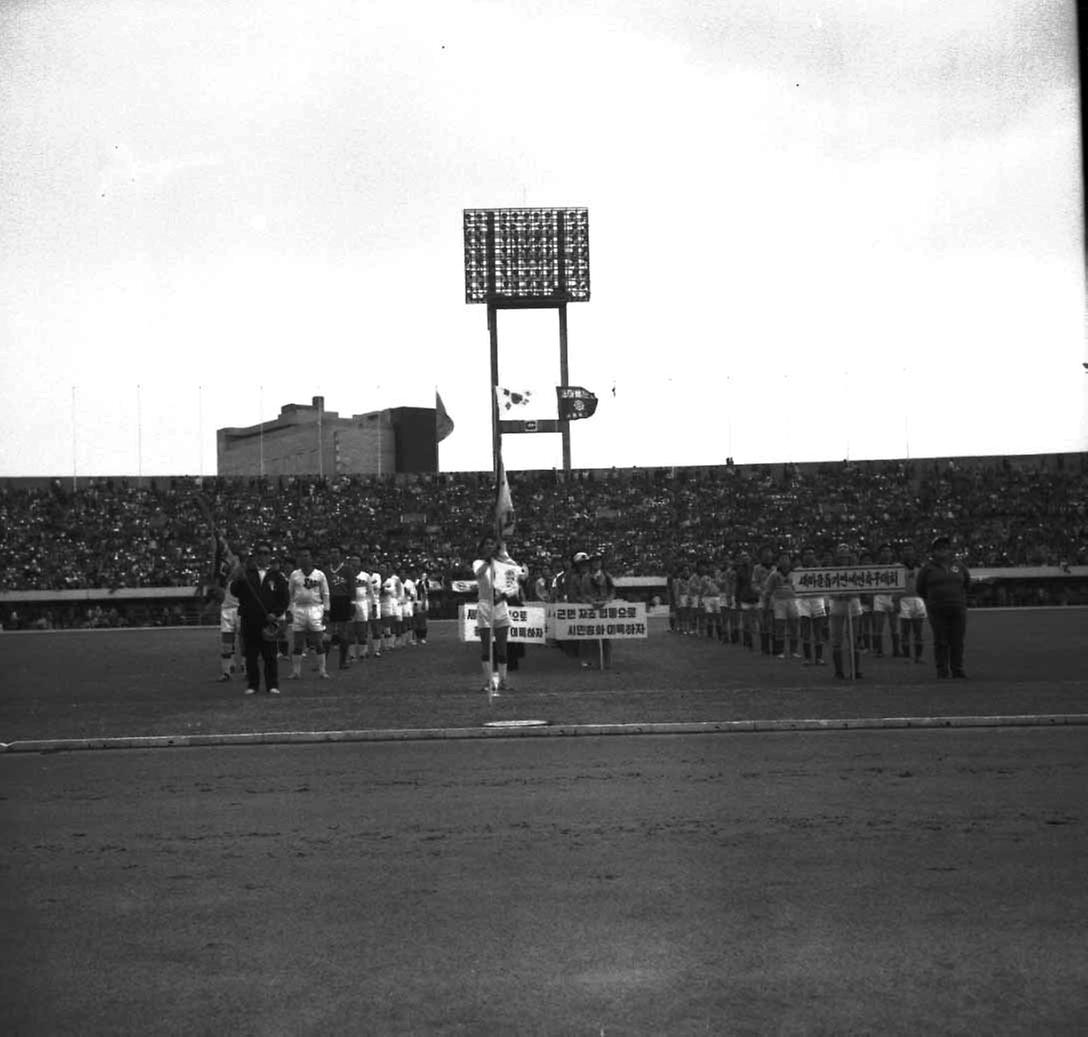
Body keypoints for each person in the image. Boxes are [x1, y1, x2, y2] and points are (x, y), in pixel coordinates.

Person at [229, 541, 290, 696]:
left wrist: (275, 614)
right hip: (250, 620)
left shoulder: (277, 576)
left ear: (270, 556)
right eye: (260, 553)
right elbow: (234, 591)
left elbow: (284, 599)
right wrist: (239, 580)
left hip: (268, 621)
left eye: (266, 553)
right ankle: (253, 685)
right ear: (255, 556)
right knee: (251, 655)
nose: (263, 556)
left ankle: (272, 685)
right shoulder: (246, 573)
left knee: (270, 655)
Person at [473, 533, 522, 693]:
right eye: (486, 544)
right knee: (486, 646)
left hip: (501, 606)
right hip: (485, 606)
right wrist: (490, 561)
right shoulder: (478, 563)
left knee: (502, 647)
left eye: (492, 544)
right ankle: (488, 681)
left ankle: (503, 681)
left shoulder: (505, 565)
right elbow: (478, 574)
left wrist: (504, 595)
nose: (489, 546)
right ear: (482, 547)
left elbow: (513, 585)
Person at [916, 536, 970, 678]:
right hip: (936, 609)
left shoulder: (959, 566)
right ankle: (942, 670)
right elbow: (920, 588)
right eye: (939, 549)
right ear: (933, 552)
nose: (942, 551)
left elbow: (967, 583)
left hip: (957, 608)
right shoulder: (927, 569)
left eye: (945, 548)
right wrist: (931, 601)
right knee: (941, 640)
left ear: (950, 550)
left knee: (957, 640)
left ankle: (957, 668)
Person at [287, 546, 331, 680]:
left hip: (315, 608)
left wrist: (326, 611)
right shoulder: (294, 575)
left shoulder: (319, 574)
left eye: (307, 555)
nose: (304, 558)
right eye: (302, 556)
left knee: (318, 641)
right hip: (299, 609)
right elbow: (289, 594)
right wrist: (289, 611)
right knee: (298, 642)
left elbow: (326, 594)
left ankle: (322, 670)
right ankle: (296, 671)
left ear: (311, 558)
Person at [828, 543, 863, 680]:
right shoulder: (830, 571)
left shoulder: (856, 570)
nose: (843, 556)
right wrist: (837, 595)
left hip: (853, 604)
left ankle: (856, 670)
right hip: (837, 604)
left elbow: (863, 586)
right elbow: (826, 587)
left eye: (845, 553)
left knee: (854, 638)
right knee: (837, 639)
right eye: (840, 553)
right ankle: (839, 671)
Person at [581, 550, 617, 670]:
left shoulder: (607, 576)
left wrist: (607, 601)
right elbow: (584, 593)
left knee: (606, 636)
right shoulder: (586, 577)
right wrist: (591, 601)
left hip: (604, 607)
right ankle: (595, 661)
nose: (597, 564)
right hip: (592, 607)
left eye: (599, 561)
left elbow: (612, 591)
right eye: (594, 562)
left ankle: (607, 661)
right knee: (593, 636)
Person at [764, 551, 801, 660]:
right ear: (778, 561)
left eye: (786, 558)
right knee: (780, 626)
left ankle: (793, 651)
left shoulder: (795, 574)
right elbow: (768, 591)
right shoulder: (774, 575)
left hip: (793, 601)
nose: (784, 561)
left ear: (790, 561)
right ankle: (780, 651)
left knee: (794, 626)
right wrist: (766, 605)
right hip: (779, 601)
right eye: (782, 559)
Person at [325, 545, 356, 670]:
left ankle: (343, 661)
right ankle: (323, 661)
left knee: (343, 632)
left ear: (340, 554)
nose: (334, 554)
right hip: (330, 601)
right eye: (332, 552)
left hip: (343, 601)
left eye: (336, 552)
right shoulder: (326, 570)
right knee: (327, 632)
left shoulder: (348, 569)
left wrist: (352, 603)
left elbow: (352, 587)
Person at [897, 543, 927, 664]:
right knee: (905, 631)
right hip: (903, 599)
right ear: (902, 553)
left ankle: (919, 657)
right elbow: (895, 587)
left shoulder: (921, 567)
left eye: (910, 550)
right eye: (905, 550)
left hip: (918, 599)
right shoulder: (897, 567)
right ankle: (907, 657)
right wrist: (895, 601)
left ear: (914, 552)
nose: (908, 552)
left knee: (918, 630)